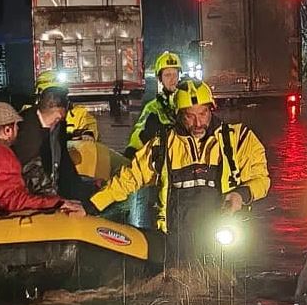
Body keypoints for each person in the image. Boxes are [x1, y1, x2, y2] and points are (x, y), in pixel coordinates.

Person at [87, 79, 270, 263]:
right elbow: (129, 178)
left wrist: (240, 194)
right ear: (178, 115)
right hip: (176, 241)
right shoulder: (162, 146)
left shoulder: (239, 140)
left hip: (223, 238)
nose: (198, 123)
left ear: (211, 109)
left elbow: (261, 180)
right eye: (190, 116)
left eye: (203, 113)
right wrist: (91, 206)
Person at [0, 101, 86, 215]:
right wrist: (57, 202)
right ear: (7, 130)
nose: (18, 129)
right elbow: (12, 200)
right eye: (16, 125)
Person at [12, 73, 87, 200]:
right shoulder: (26, 130)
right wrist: (54, 200)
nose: (56, 124)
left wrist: (79, 189)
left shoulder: (58, 124)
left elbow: (64, 161)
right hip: (36, 195)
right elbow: (31, 173)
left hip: (53, 186)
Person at [124, 51, 182, 159]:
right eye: (167, 75)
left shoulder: (187, 101)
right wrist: (132, 150)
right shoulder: (153, 107)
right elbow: (140, 131)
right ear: (160, 79)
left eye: (175, 74)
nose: (172, 79)